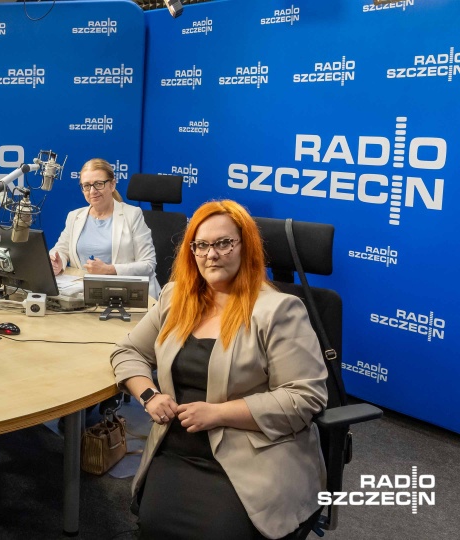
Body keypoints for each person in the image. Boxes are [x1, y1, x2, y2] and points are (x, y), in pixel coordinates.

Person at [110, 200, 328, 539]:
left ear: (246, 247)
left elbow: (306, 397)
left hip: (251, 452)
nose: (211, 254)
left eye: (224, 243)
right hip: (176, 445)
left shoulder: (279, 311)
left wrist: (219, 414)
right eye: (201, 245)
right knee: (154, 527)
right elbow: (128, 351)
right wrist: (149, 395)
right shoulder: (174, 298)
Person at [49, 158, 160, 298]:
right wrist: (58, 262)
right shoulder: (75, 216)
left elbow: (148, 265)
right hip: (86, 295)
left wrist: (109, 270)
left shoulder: (132, 215)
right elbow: (61, 250)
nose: (92, 191)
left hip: (127, 295)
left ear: (112, 185)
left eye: (99, 184)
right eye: (86, 186)